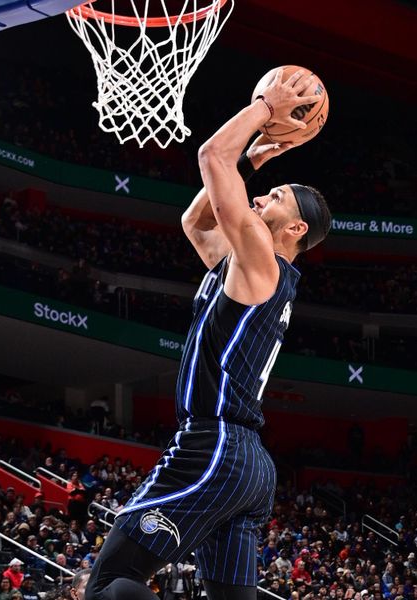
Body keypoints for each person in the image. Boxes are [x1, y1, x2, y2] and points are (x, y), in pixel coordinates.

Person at [84, 71, 331, 600]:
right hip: (249, 465)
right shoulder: (247, 266)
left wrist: (267, 106)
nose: (263, 196)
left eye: (278, 196)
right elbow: (196, 222)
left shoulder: (263, 262)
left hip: (214, 441)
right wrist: (252, 160)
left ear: (296, 231)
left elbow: (211, 156)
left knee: (111, 580)